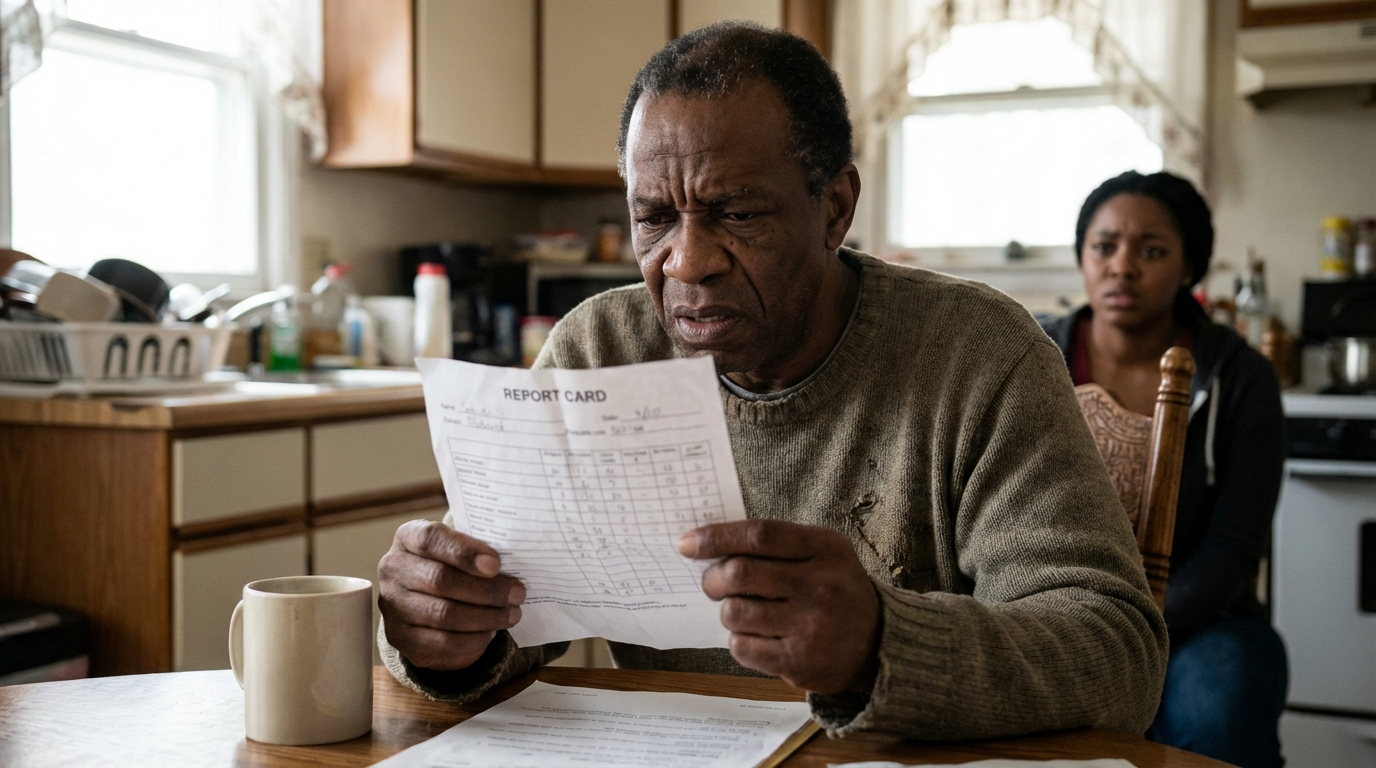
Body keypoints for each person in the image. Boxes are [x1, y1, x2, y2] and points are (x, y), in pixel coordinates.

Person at [376, 22, 1168, 740]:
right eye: (653, 218)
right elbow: (501, 626)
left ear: (834, 207)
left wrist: (879, 643)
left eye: (737, 213)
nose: (686, 262)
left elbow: (1116, 656)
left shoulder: (977, 353)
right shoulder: (600, 350)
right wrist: (442, 630)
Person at [1039, 171, 1288, 767]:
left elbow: (1234, 549)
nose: (1122, 266)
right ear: (1082, 258)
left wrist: (1134, 631)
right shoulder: (1034, 357)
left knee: (1216, 710)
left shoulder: (1240, 377)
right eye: (1104, 246)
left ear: (1189, 268)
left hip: (1203, 621)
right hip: (1050, 615)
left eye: (1151, 251)